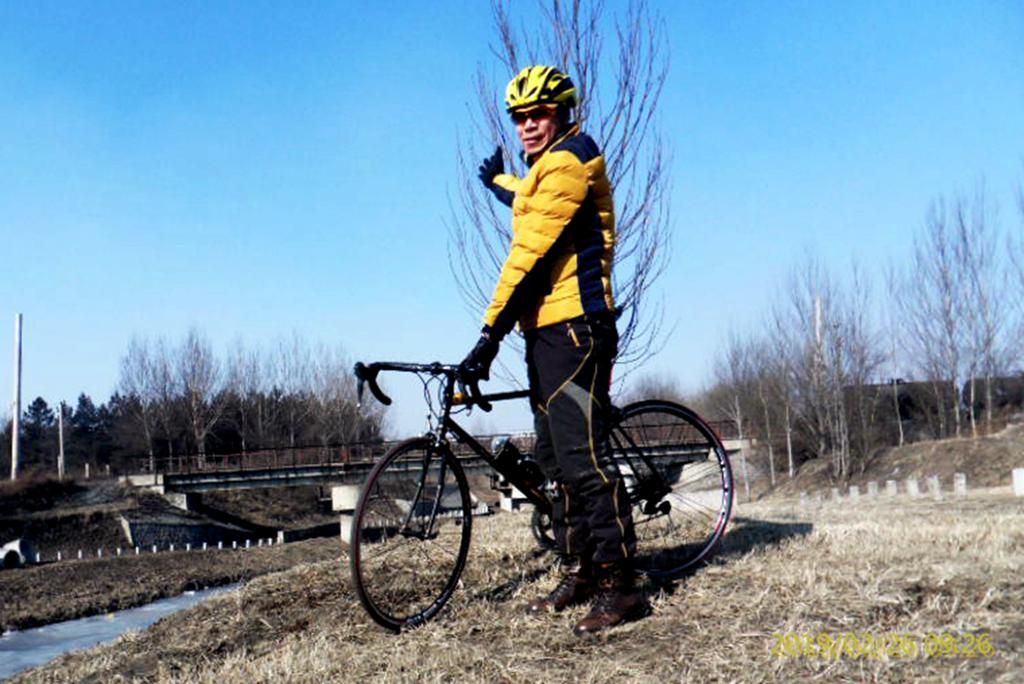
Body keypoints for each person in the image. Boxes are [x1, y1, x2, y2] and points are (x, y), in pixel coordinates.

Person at [459, 65, 645, 636]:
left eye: (538, 114)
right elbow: (527, 197)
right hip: (545, 331)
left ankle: (620, 584)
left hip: (576, 328)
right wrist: (496, 182)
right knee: (553, 461)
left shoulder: (569, 161)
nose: (527, 126)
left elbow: (531, 253)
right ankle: (581, 570)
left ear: (563, 112)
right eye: (519, 118)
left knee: (582, 461)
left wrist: (488, 335)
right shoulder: (547, 169)